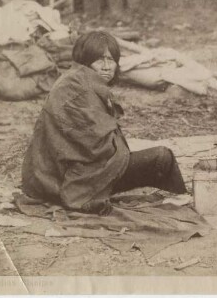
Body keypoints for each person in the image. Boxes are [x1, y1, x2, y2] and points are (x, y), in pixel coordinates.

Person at [22, 31, 187, 215]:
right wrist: (122, 148)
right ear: (85, 60)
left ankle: (174, 199)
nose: (107, 67)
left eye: (111, 60)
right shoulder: (78, 88)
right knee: (162, 157)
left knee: (147, 158)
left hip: (55, 178)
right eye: (100, 60)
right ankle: (182, 201)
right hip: (71, 182)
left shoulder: (76, 79)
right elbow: (97, 148)